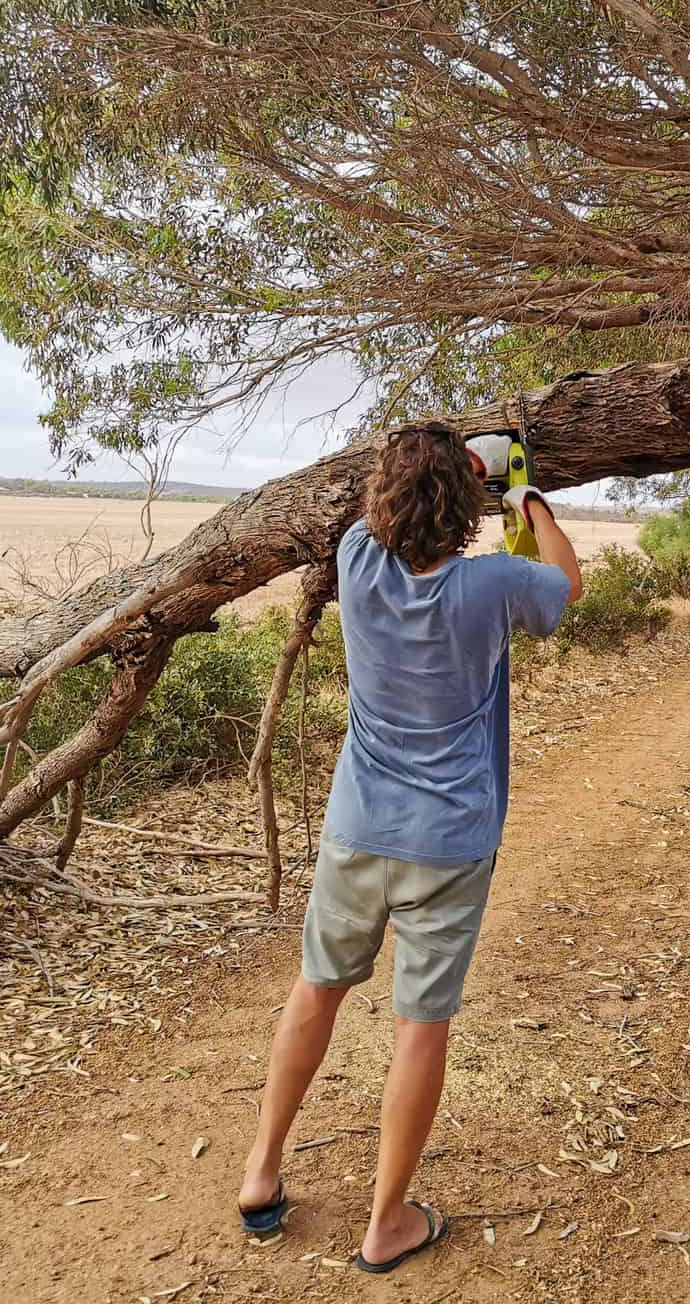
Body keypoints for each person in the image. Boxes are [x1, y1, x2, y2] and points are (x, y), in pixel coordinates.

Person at [235, 422, 583, 1273]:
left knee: (316, 991)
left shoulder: (357, 561)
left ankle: (259, 1172)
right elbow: (566, 584)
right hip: (451, 840)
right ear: (466, 507)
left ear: (381, 501)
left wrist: (456, 464)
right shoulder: (494, 584)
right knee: (418, 1028)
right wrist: (522, 490)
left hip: (358, 829)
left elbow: (393, 501)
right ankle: (386, 1220)